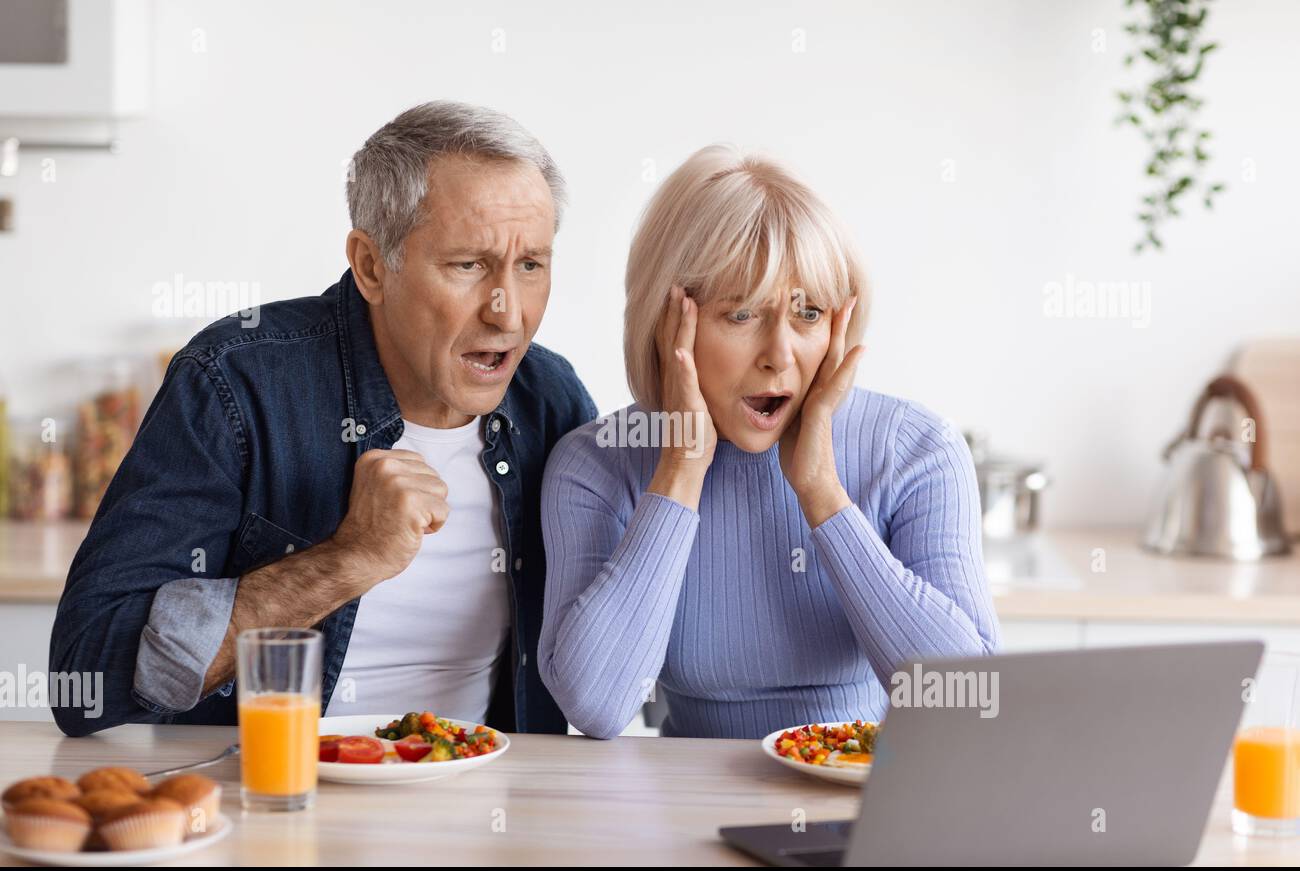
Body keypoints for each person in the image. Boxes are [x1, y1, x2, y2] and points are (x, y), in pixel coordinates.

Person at [51, 101, 594, 736]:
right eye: (468, 265)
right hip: (274, 803)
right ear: (371, 266)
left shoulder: (549, 399)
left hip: (486, 802)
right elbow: (83, 677)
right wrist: (348, 559)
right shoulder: (235, 382)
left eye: (530, 265)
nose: (508, 314)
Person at [538, 145, 1000, 739]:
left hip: (865, 803)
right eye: (742, 315)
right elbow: (597, 707)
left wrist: (822, 493)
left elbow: (962, 701)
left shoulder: (917, 451)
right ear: (668, 324)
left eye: (807, 313)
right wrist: (680, 468)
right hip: (685, 809)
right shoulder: (598, 464)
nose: (779, 357)